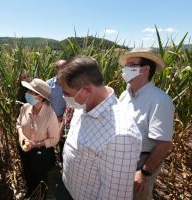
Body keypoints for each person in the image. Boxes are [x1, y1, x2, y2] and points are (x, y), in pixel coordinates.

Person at [56, 56, 142, 200]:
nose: (64, 97)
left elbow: (114, 196)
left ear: (87, 91)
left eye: (67, 94)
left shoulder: (121, 136)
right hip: (67, 188)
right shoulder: (83, 105)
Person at [118, 48, 174, 200]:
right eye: (126, 65)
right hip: (121, 159)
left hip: (141, 163)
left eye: (131, 65)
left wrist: (144, 173)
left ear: (146, 69)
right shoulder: (125, 95)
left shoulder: (160, 100)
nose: (125, 69)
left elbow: (163, 144)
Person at [16, 78, 60, 198]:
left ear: (40, 97)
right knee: (28, 173)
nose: (27, 94)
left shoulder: (50, 115)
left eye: (31, 92)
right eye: (28, 91)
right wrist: (21, 137)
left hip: (42, 154)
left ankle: (40, 195)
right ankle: (31, 192)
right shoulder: (24, 108)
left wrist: (36, 144)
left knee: (41, 178)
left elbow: (55, 139)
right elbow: (19, 124)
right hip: (25, 148)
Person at [47, 60, 68, 162]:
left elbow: (71, 106)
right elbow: (44, 103)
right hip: (49, 121)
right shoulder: (48, 84)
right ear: (56, 70)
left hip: (65, 121)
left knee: (64, 147)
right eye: (61, 68)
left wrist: (62, 119)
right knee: (49, 146)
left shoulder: (71, 85)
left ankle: (63, 166)